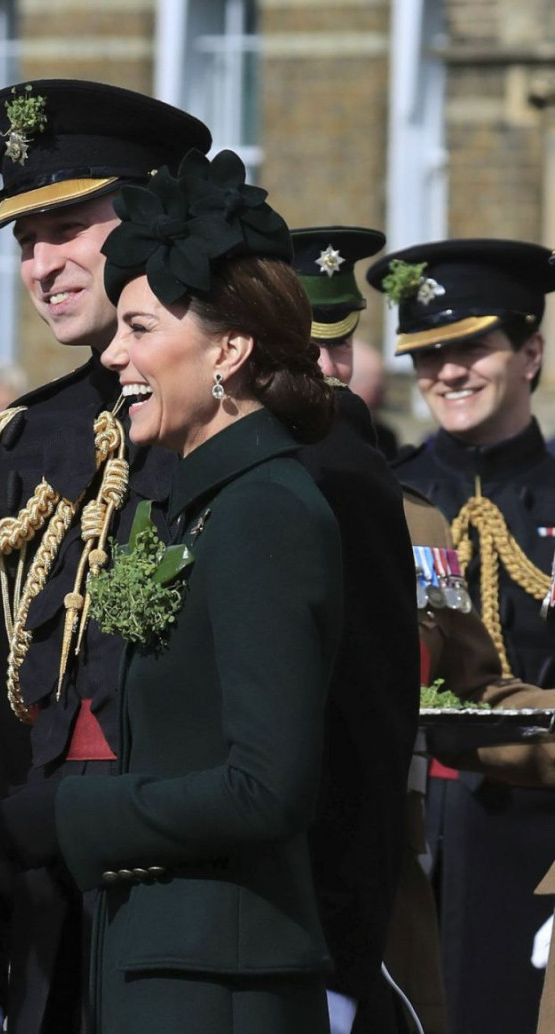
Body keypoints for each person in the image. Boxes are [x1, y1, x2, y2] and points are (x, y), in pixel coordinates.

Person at [0, 147, 342, 1034]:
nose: (115, 353)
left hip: (218, 981)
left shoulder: (265, 509)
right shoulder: (201, 501)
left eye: (142, 329)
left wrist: (74, 813)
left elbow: (267, 787)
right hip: (162, 959)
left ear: (229, 348)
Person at [0, 80, 212, 1034]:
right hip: (48, 922)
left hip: (212, 911)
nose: (42, 264)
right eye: (23, 239)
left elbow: (346, 722)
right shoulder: (21, 447)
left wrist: (341, 961)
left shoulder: (263, 426)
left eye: (67, 227)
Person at [370, 238, 555, 1034]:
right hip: (409, 828)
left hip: (534, 832)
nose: (448, 371)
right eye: (429, 354)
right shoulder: (394, 496)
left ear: (531, 352)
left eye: (472, 347)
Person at [289, 226, 422, 1034]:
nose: (332, 371)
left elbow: (365, 720)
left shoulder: (350, 472)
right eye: (312, 348)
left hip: (345, 873)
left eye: (343, 346)